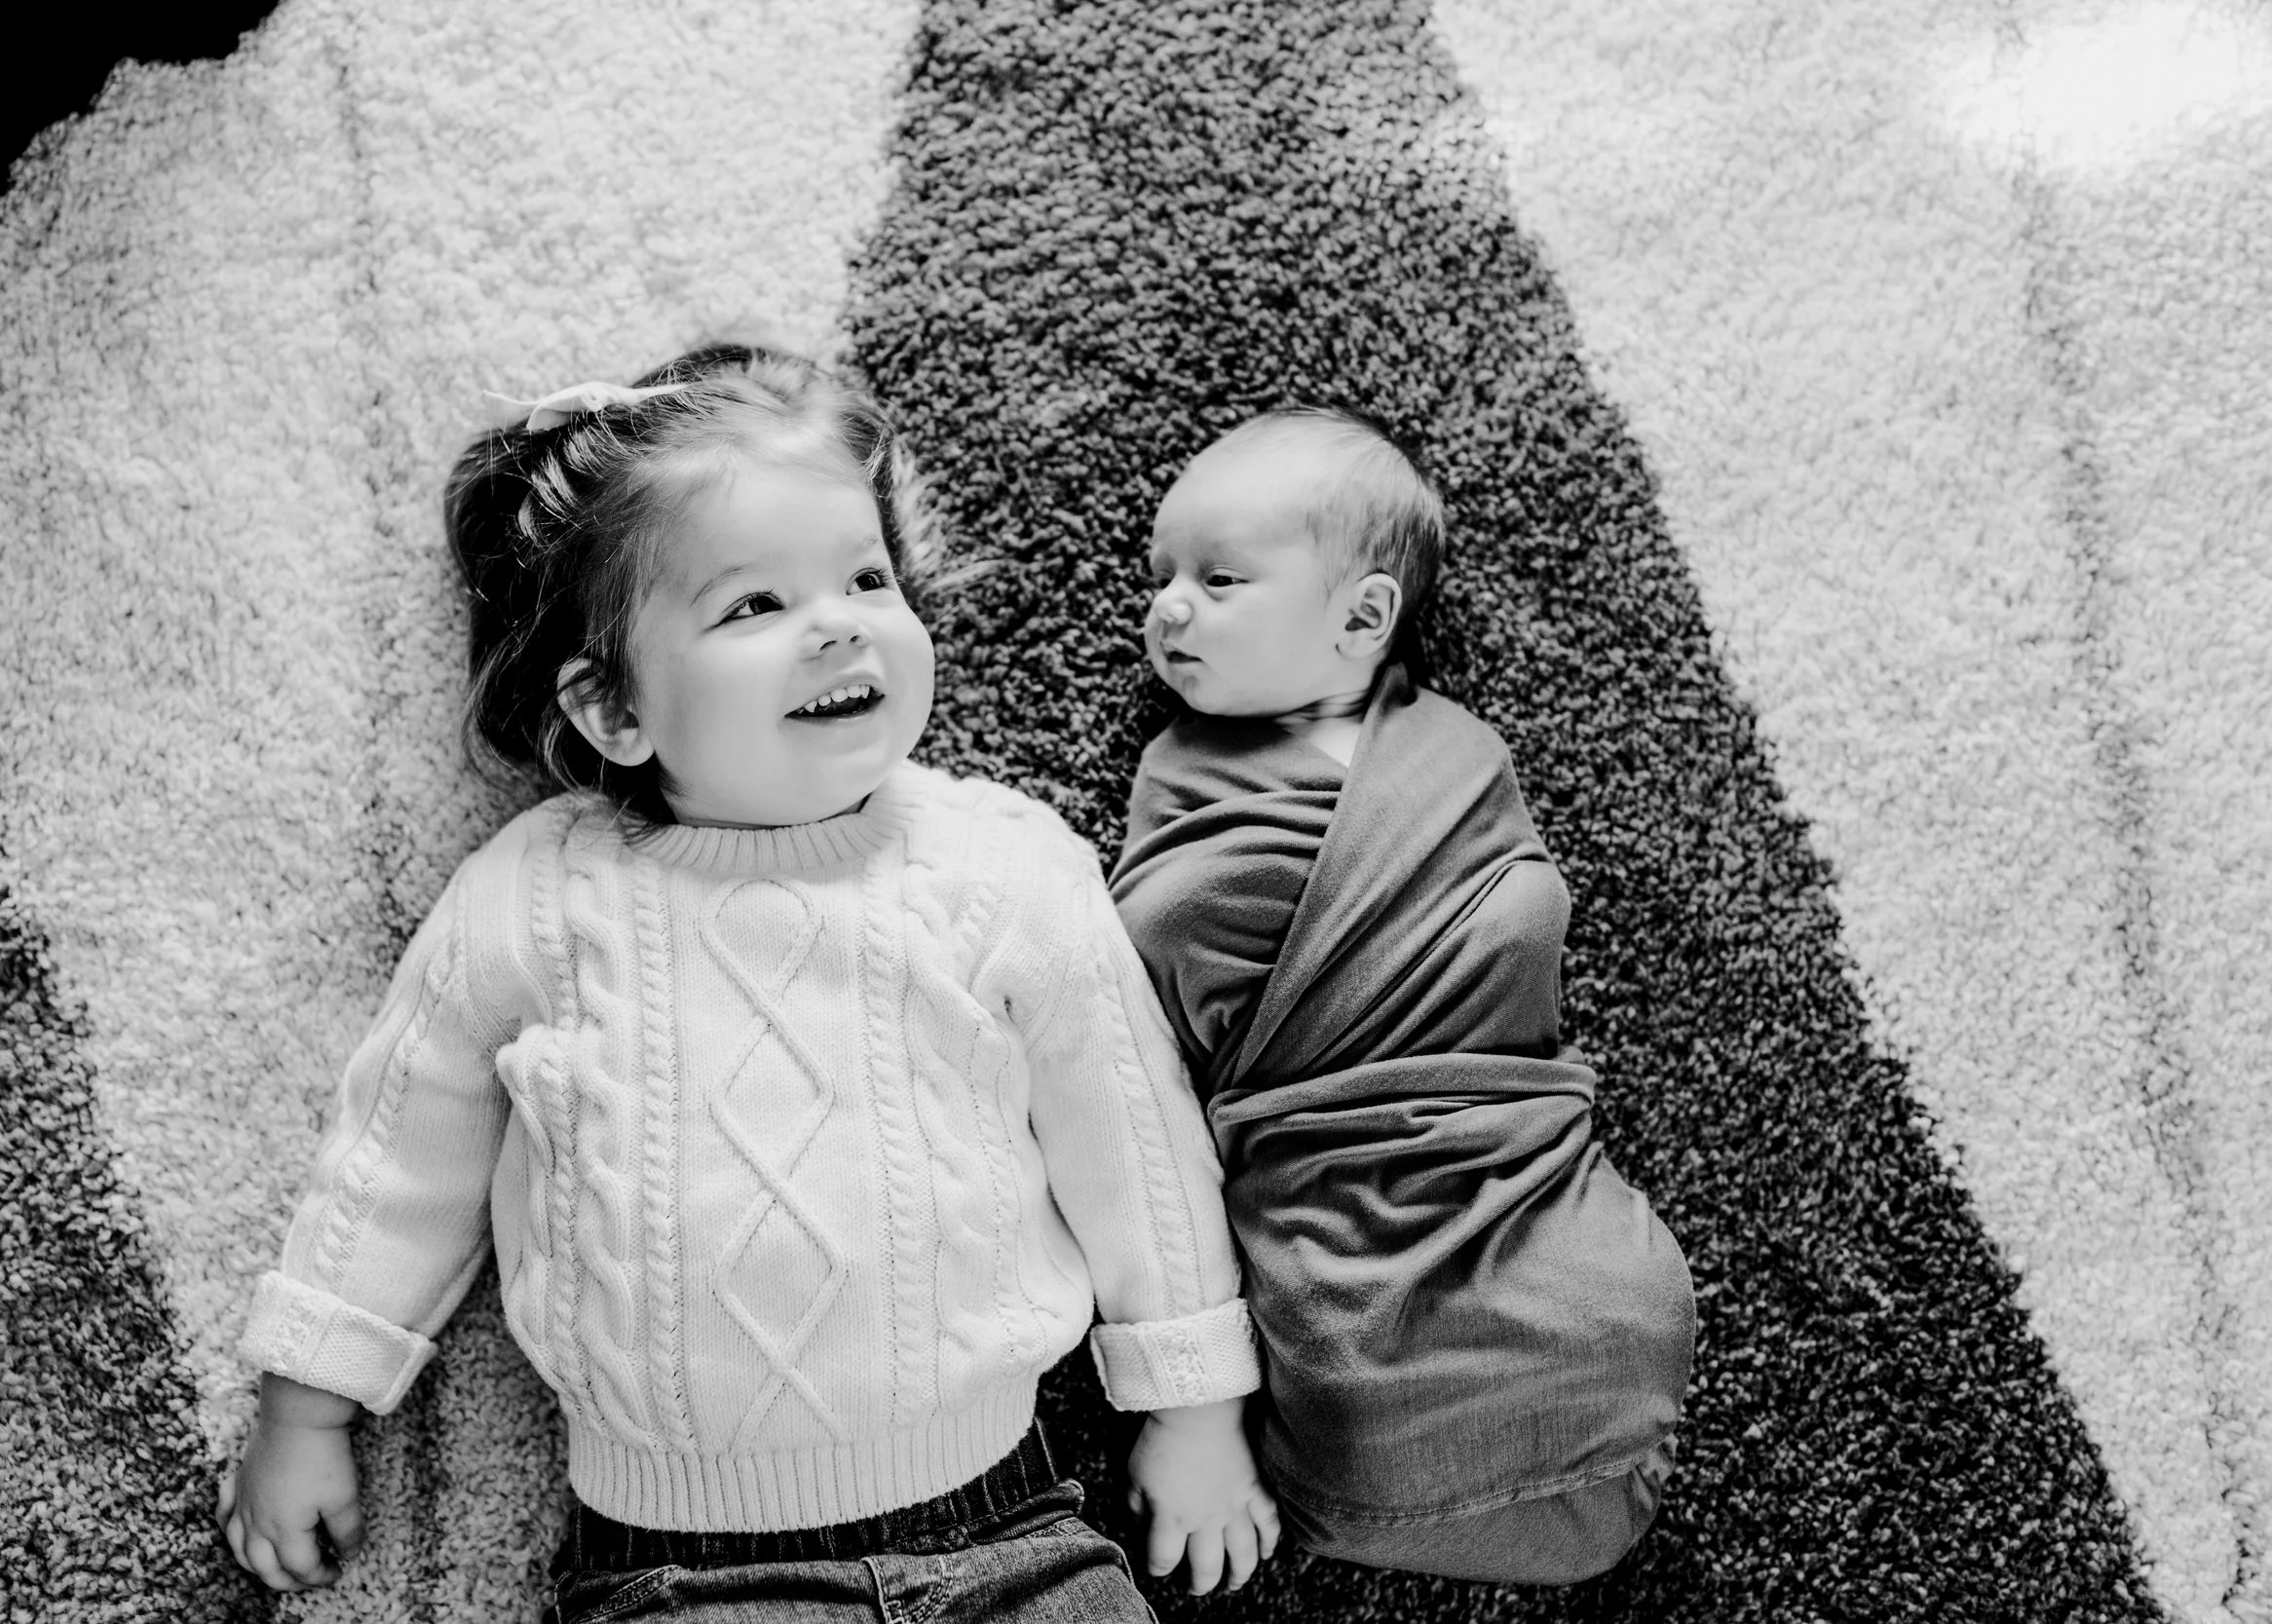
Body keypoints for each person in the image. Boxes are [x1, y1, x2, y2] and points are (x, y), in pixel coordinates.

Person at [217, 345, 1276, 1623]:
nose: (837, 620)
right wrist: (306, 1400)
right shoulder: (541, 896)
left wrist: (1195, 1405)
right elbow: (400, 1149)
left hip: (1015, 1531)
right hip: (681, 1573)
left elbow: (1136, 1145)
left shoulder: (1003, 864)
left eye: (866, 577)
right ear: (614, 708)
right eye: (753, 605)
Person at [1107, 408, 1695, 1584]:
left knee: (1607, 1309)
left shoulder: (1457, 755)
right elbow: (1148, 986)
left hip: (1507, 1157)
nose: (1167, 605)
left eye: (1217, 578)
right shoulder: (1182, 776)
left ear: (1362, 617)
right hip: (1336, 1188)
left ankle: (1585, 1359)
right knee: (1345, 1361)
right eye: (1162, 575)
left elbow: (1511, 922)